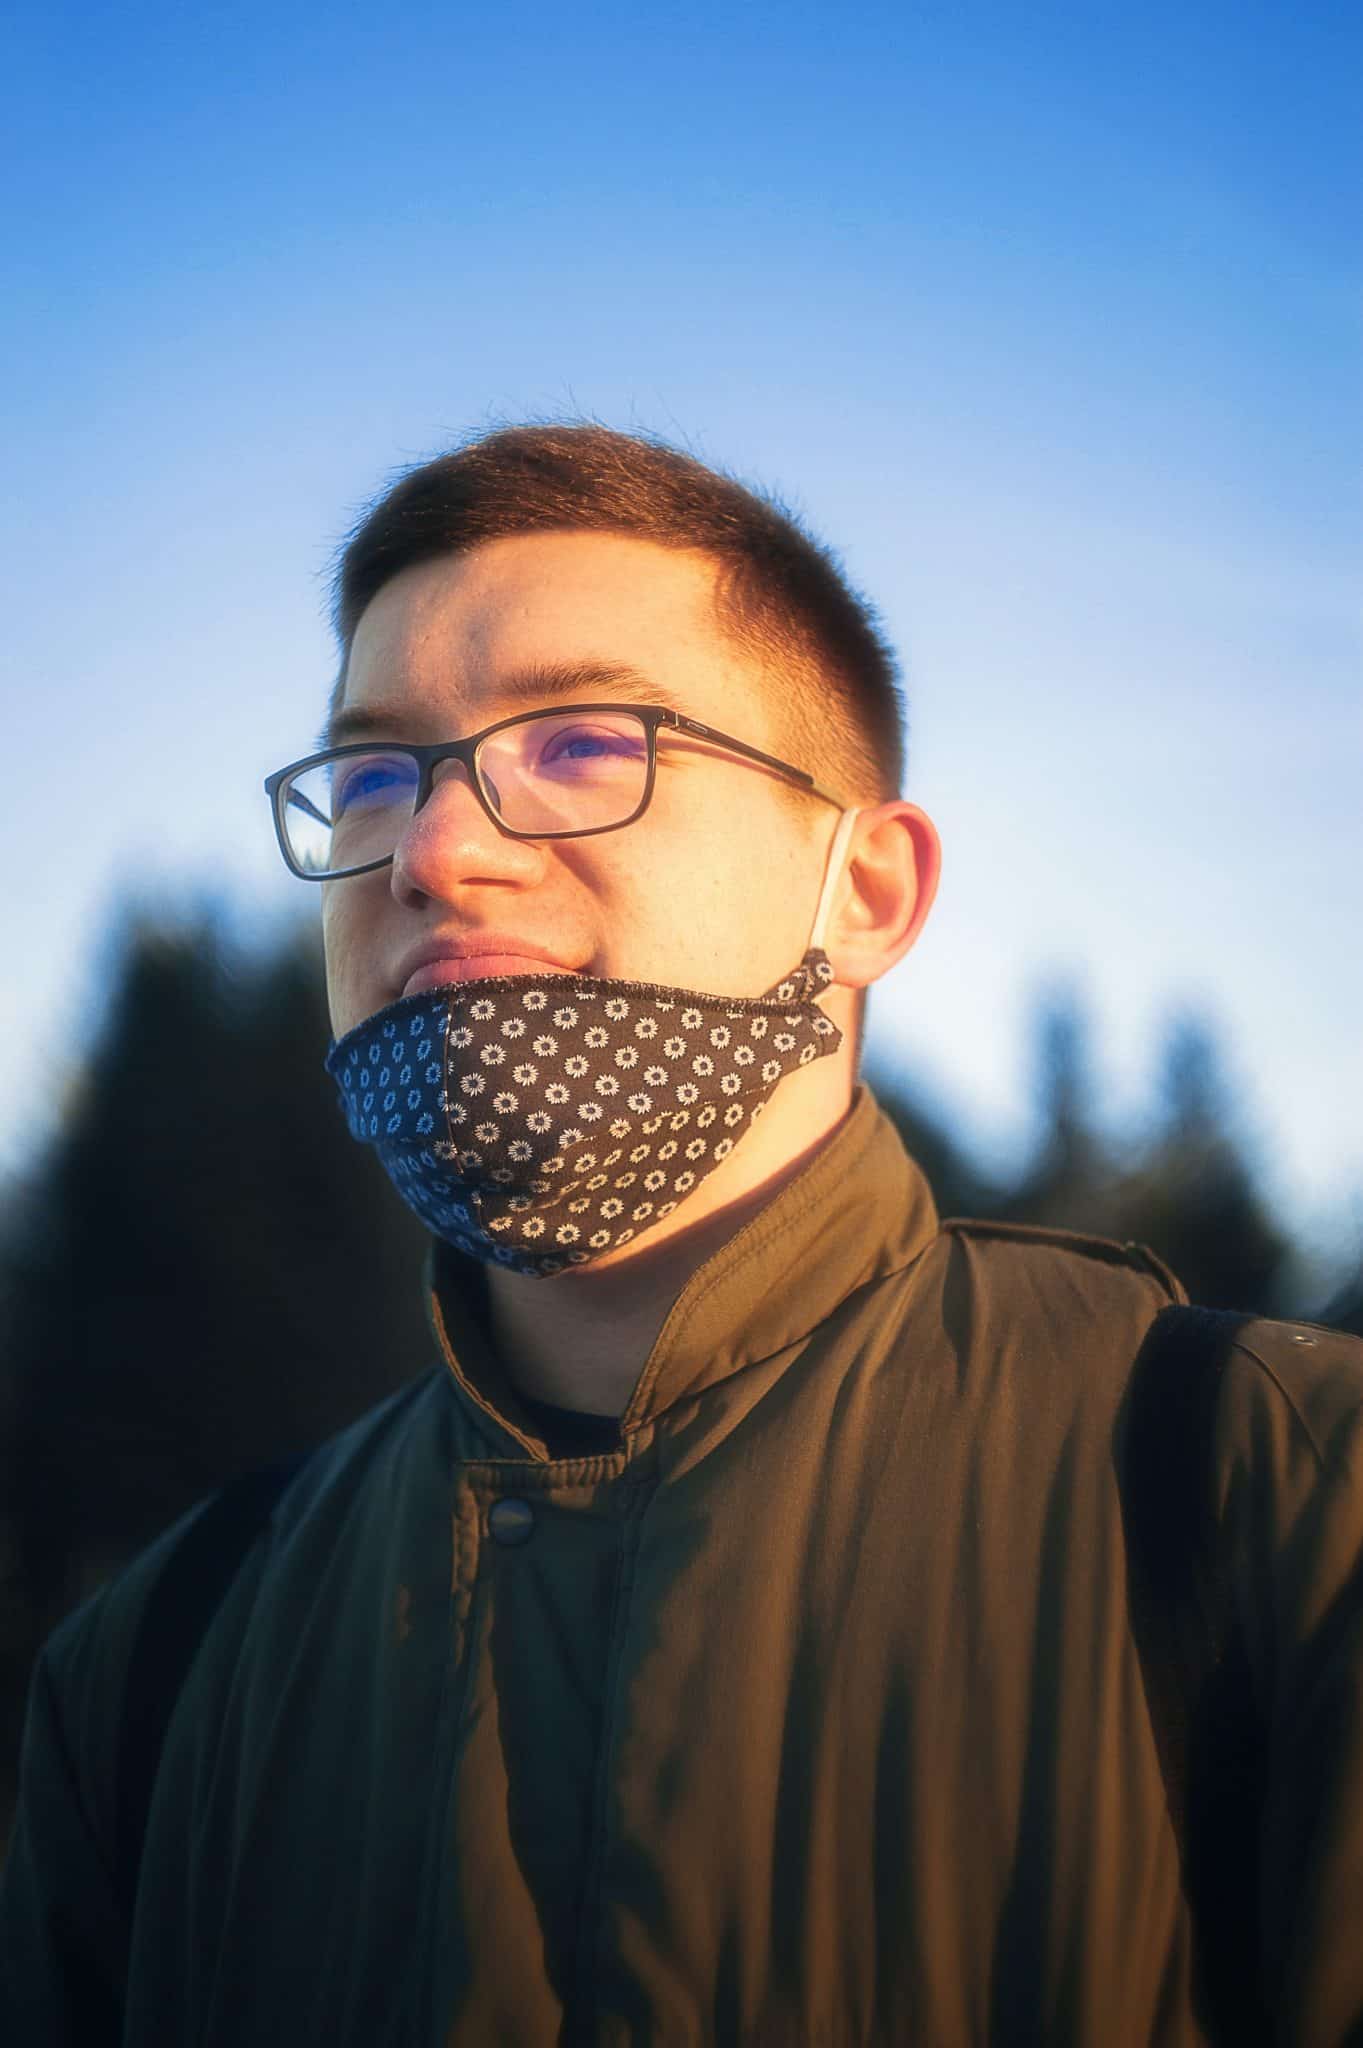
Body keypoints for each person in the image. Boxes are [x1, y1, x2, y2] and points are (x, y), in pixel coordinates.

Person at [2, 423, 1361, 2045]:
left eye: (584, 744)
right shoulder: (160, 1664)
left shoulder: (1286, 1497)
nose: (433, 851)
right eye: (372, 777)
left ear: (866, 891)